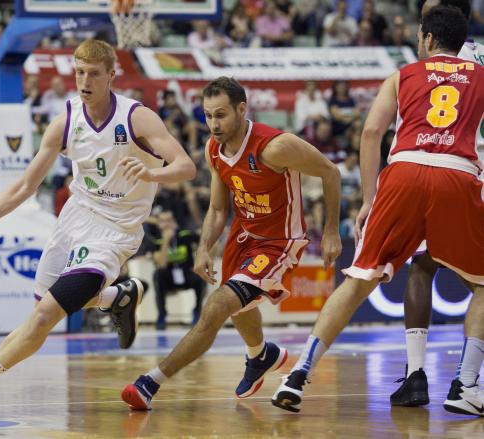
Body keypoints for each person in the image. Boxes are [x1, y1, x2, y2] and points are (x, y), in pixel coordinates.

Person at [0, 39, 196, 416]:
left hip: (115, 231)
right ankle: (118, 297)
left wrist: (152, 171)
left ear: (111, 74)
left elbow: (186, 166)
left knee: (45, 314)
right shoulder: (64, 122)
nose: (85, 81)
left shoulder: (137, 118)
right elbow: (25, 186)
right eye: (79, 72)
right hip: (75, 219)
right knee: (44, 312)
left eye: (94, 73)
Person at [271, 5, 484, 416]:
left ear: (426, 39)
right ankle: (466, 384)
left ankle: (298, 374)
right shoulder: (480, 73)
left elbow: (371, 132)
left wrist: (370, 197)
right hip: (457, 175)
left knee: (356, 282)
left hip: (403, 172)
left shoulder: (402, 75)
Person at [121, 76, 342, 410]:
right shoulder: (214, 149)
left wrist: (331, 231)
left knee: (218, 306)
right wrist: (202, 247)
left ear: (242, 109)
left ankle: (150, 382)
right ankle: (260, 355)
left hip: (279, 240)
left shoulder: (275, 146)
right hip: (243, 236)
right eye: (208, 115)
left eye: (221, 115)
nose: (213, 124)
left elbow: (330, 172)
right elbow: (217, 208)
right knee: (238, 305)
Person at [390, 0, 484, 408]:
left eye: (430, 12)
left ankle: (437, 378)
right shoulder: (477, 60)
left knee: (429, 269)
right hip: (457, 175)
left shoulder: (429, 68)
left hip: (453, 172)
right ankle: (439, 378)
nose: (422, 21)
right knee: (424, 266)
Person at [146, 210, 205, 330]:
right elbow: (161, 264)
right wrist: (166, 241)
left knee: (200, 277)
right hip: (168, 277)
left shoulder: (185, 235)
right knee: (158, 275)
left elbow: (205, 244)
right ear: (159, 224)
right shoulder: (156, 241)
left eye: (169, 220)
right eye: (163, 221)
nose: (167, 224)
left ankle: (197, 311)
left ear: (174, 222)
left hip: (187, 273)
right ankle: (162, 314)